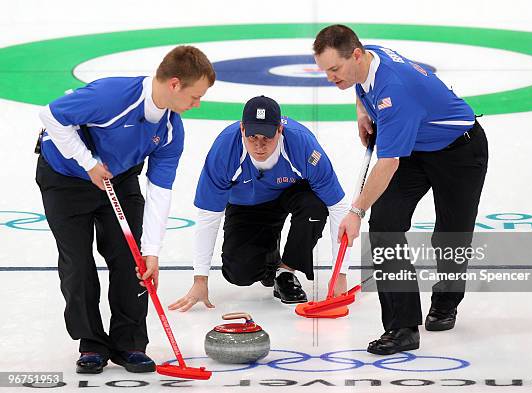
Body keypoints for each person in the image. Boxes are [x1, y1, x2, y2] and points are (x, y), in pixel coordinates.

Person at [35, 45, 215, 374]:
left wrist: (153, 251)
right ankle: (91, 342)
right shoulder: (112, 95)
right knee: (78, 262)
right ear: (175, 84)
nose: (196, 104)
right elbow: (51, 116)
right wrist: (88, 163)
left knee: (134, 260)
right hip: (66, 177)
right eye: (195, 96)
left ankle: (129, 342)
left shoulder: (171, 129)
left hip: (118, 178)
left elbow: (160, 191)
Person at [313, 25, 488, 354]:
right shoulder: (369, 54)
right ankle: (402, 327)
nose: (330, 77)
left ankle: (447, 300)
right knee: (386, 225)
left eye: (334, 70)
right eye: (325, 71)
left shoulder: (396, 91)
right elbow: (362, 86)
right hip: (415, 148)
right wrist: (362, 110)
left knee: (451, 233)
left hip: (459, 152)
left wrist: (354, 212)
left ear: (355, 55)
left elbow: (388, 163)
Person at [169, 95, 349, 312]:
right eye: (252, 136)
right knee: (239, 273)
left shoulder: (303, 146)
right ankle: (269, 260)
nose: (259, 145)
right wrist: (200, 280)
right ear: (242, 129)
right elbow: (208, 216)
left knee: (315, 207)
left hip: (291, 195)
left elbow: (338, 206)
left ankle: (285, 272)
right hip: (248, 204)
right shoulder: (225, 150)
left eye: (267, 138)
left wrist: (340, 274)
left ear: (280, 130)